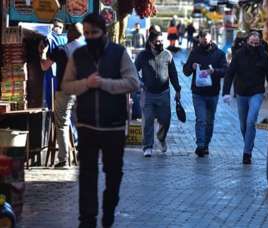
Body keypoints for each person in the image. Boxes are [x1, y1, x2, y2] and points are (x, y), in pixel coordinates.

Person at [62, 13, 140, 228]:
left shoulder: (119, 53)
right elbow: (67, 85)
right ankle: (87, 220)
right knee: (87, 176)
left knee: (113, 175)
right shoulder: (77, 55)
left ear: (104, 32)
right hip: (86, 125)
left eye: (93, 33)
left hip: (113, 127)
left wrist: (105, 83)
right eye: (86, 33)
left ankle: (108, 215)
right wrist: (86, 83)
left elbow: (133, 82)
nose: (89, 37)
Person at [223, 31, 268, 165]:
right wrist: (226, 92)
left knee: (250, 121)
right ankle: (249, 143)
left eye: (256, 43)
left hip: (256, 92)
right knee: (243, 125)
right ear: (247, 41)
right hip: (241, 93)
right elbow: (230, 73)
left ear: (260, 43)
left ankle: (247, 152)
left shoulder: (264, 57)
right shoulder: (239, 55)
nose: (254, 45)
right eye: (251, 42)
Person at [39, 23, 85, 168]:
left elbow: (44, 66)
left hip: (65, 92)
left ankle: (63, 159)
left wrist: (42, 52)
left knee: (62, 124)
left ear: (71, 34)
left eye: (67, 32)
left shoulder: (63, 50)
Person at [135, 31, 181, 158]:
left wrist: (177, 89)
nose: (160, 43)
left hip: (163, 94)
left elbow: (173, 73)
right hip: (148, 94)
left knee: (165, 120)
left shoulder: (167, 55)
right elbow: (134, 70)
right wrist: (140, 82)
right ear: (150, 42)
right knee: (148, 119)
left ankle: (161, 137)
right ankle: (147, 146)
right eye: (157, 41)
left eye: (161, 40)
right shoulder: (143, 56)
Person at [183, 31, 227, 157]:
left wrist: (214, 71)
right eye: (203, 40)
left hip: (213, 93)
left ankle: (206, 144)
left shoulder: (219, 54)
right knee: (201, 119)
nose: (205, 42)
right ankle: (200, 145)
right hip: (198, 93)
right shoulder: (195, 52)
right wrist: (191, 66)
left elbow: (225, 70)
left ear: (211, 39)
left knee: (209, 121)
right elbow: (185, 71)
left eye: (207, 40)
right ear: (200, 39)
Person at [43, 18, 67, 109]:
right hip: (51, 74)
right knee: (51, 102)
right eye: (55, 26)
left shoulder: (65, 39)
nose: (58, 29)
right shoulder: (47, 38)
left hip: (63, 76)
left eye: (60, 27)